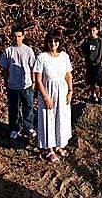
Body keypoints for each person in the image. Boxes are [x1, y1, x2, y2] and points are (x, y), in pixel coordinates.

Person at [33, 30, 73, 162]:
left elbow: (68, 75)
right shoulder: (42, 57)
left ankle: (58, 145)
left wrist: (70, 91)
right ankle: (49, 149)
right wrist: (45, 97)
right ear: (47, 42)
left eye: (56, 41)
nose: (53, 44)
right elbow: (38, 80)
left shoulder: (64, 56)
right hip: (48, 92)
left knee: (61, 119)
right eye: (50, 41)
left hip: (62, 92)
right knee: (48, 120)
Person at [0, 26, 36, 139]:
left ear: (23, 36)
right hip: (12, 86)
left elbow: (33, 67)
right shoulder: (8, 51)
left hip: (27, 85)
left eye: (19, 36)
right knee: (13, 108)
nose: (17, 39)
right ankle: (14, 129)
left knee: (28, 107)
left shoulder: (28, 50)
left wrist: (34, 82)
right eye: (15, 36)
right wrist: (6, 82)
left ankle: (28, 127)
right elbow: (5, 69)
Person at [81, 21, 102, 103]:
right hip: (90, 64)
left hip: (98, 64)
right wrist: (86, 60)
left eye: (93, 30)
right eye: (90, 30)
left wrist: (101, 63)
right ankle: (93, 95)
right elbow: (83, 51)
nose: (92, 32)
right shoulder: (87, 41)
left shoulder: (100, 41)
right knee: (92, 81)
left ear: (97, 31)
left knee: (101, 81)